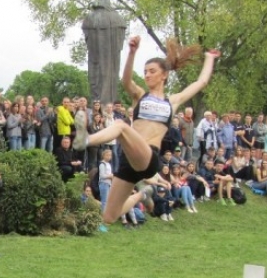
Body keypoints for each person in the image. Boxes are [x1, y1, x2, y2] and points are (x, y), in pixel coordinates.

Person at [75, 35, 219, 224]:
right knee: (108, 217)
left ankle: (86, 140)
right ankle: (143, 195)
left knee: (120, 126)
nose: (147, 75)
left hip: (149, 157)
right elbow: (126, 81)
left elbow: (200, 83)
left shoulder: (172, 102)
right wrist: (131, 53)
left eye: (152, 71)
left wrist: (209, 58)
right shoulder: (140, 96)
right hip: (129, 161)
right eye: (145, 72)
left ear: (164, 75)